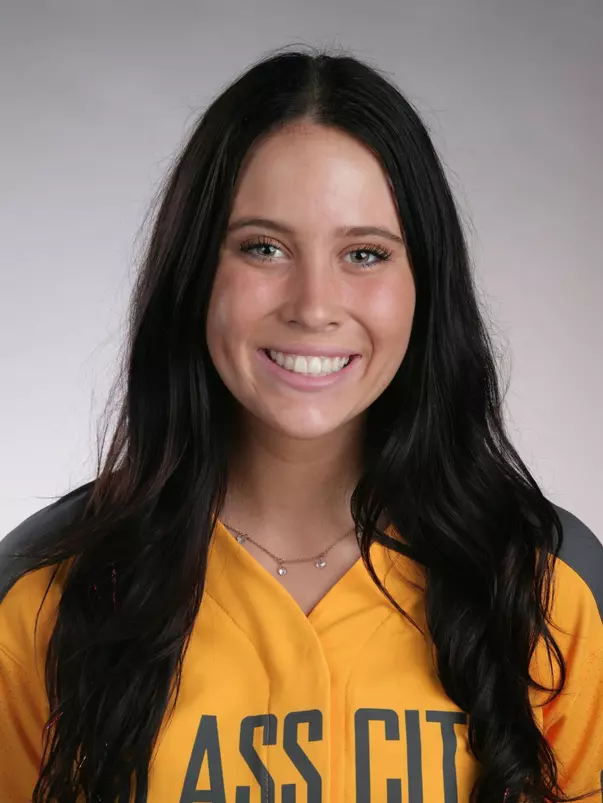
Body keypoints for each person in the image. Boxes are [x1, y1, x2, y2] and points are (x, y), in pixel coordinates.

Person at [0, 45, 601, 803]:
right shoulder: (45, 594)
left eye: (363, 252)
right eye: (263, 247)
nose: (313, 303)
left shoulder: (547, 582)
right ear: (194, 274)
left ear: (426, 285)